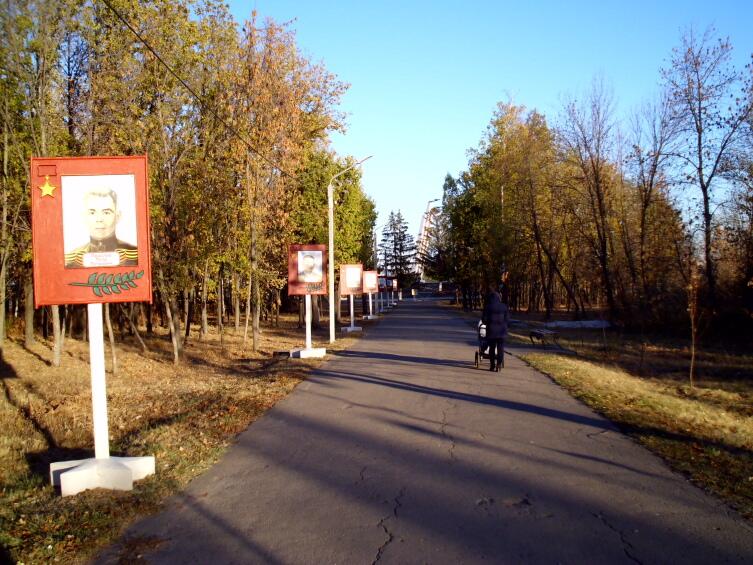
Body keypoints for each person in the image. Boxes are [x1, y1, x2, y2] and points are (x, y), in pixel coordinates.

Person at [65, 188, 137, 268]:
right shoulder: (72, 260)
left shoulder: (135, 255)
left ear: (118, 216)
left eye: (106, 212)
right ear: (83, 217)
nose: (99, 219)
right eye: (92, 213)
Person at [482, 283, 509, 372]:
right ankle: (499, 364)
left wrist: (487, 322)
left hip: (491, 331)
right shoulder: (504, 306)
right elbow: (507, 319)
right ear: (499, 298)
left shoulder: (488, 307)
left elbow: (484, 319)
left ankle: (492, 365)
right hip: (502, 331)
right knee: (501, 349)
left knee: (492, 348)